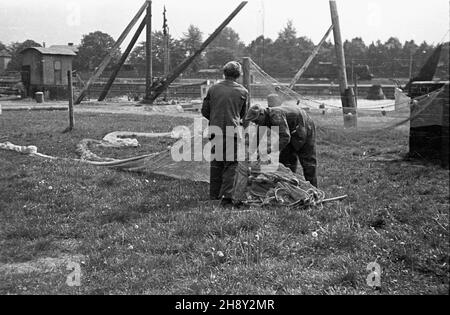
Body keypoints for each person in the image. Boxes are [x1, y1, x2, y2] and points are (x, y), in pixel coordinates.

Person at [201, 61, 249, 206]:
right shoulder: (243, 92)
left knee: (216, 163)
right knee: (231, 164)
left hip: (215, 130)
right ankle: (227, 197)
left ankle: (214, 194)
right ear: (239, 75)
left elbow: (205, 110)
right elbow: (243, 114)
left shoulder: (213, 89)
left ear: (224, 72)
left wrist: (215, 118)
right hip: (232, 131)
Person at [244, 104, 318, 187]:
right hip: (291, 130)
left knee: (308, 163)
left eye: (256, 120)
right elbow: (258, 137)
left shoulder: (276, 116)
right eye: (254, 122)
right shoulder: (263, 119)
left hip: (305, 124)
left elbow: (285, 138)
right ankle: (291, 188)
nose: (255, 123)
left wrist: (269, 150)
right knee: (286, 163)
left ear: (262, 114)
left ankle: (314, 190)